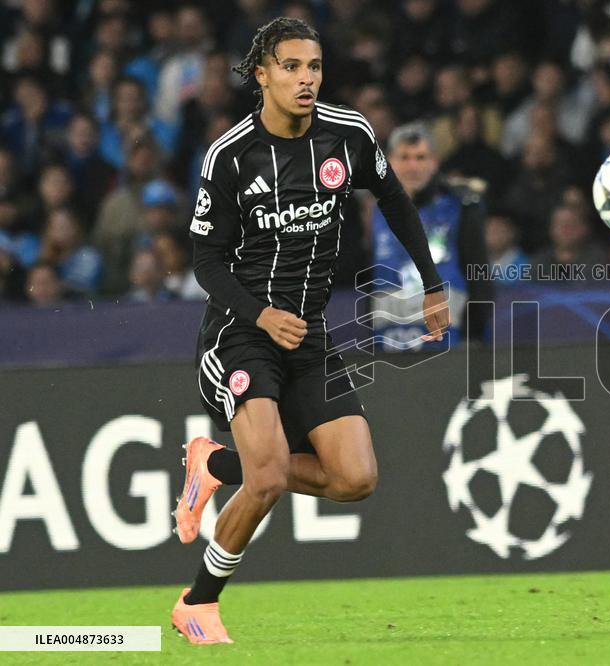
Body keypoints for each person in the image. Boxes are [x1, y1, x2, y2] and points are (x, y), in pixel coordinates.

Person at [169, 17, 449, 645]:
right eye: (291, 67)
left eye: (314, 67)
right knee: (267, 476)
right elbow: (206, 261)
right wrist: (260, 313)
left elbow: (396, 199)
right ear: (261, 74)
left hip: (310, 334)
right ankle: (198, 603)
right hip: (240, 334)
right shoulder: (231, 155)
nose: (306, 79)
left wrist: (431, 283)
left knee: (355, 478)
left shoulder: (348, 137)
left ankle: (214, 465)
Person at [370, 122, 491, 349]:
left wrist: (474, 335)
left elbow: (479, 274)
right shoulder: (373, 212)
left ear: (434, 161)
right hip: (387, 344)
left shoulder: (461, 208)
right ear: (389, 162)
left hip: (447, 343)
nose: (412, 166)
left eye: (421, 157)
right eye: (404, 157)